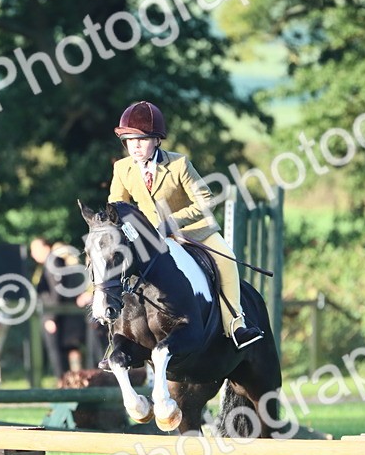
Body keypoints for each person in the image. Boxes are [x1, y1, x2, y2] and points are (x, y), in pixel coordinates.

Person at [107, 100, 263, 348]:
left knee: (226, 260)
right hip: (150, 237)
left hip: (193, 231)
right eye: (129, 139)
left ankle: (236, 325)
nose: (135, 145)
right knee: (113, 265)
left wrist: (172, 222)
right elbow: (117, 207)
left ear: (157, 140)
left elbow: (205, 200)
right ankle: (117, 337)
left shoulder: (178, 164)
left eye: (142, 139)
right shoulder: (122, 168)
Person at [29, 236, 88, 378]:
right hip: (56, 314)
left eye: (35, 250)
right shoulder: (50, 263)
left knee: (57, 354)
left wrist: (51, 317)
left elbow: (57, 292)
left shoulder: (53, 262)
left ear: (46, 247)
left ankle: (63, 385)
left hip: (54, 314)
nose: (32, 254)